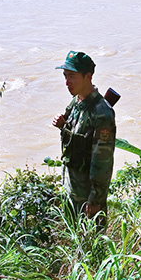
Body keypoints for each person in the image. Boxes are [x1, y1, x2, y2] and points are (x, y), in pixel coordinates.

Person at [52, 51, 115, 226]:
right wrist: (63, 126)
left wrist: (95, 200)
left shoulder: (101, 113)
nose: (67, 82)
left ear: (88, 76)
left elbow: (102, 161)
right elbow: (76, 142)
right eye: (65, 76)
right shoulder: (76, 103)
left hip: (88, 199)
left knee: (91, 248)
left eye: (72, 76)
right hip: (71, 191)